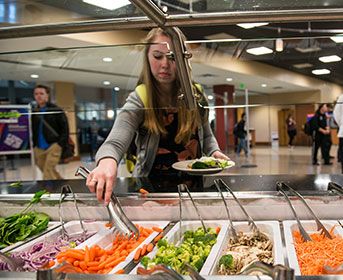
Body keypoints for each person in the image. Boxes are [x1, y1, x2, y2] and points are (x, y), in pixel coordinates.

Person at [86, 28, 229, 204]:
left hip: (194, 186)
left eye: (172, 57)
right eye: (157, 56)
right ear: (147, 57)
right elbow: (115, 141)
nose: (164, 64)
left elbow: (206, 135)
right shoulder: (140, 97)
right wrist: (107, 161)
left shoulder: (195, 93)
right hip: (151, 189)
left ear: (184, 59)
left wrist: (214, 151)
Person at [31, 85, 69, 180]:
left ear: (47, 95)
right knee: (46, 169)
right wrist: (34, 144)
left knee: (48, 171)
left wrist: (60, 144)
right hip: (39, 147)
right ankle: (62, 184)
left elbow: (65, 128)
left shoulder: (56, 110)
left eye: (41, 93)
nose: (38, 96)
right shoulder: (34, 111)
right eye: (36, 94)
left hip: (53, 145)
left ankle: (49, 192)